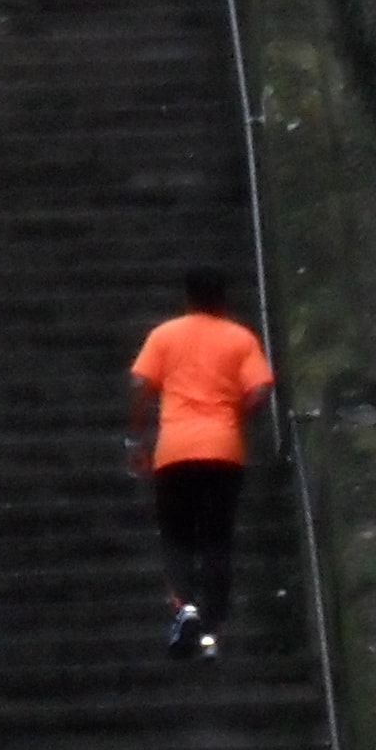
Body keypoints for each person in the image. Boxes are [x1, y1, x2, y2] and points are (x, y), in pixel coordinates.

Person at [127, 267, 275, 659]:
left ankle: (186, 611)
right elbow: (260, 389)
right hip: (223, 452)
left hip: (174, 452)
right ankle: (214, 629)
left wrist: (136, 437)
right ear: (223, 299)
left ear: (188, 298)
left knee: (177, 537)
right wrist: (235, 415)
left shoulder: (165, 335)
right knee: (217, 539)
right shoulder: (240, 338)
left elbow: (141, 386)